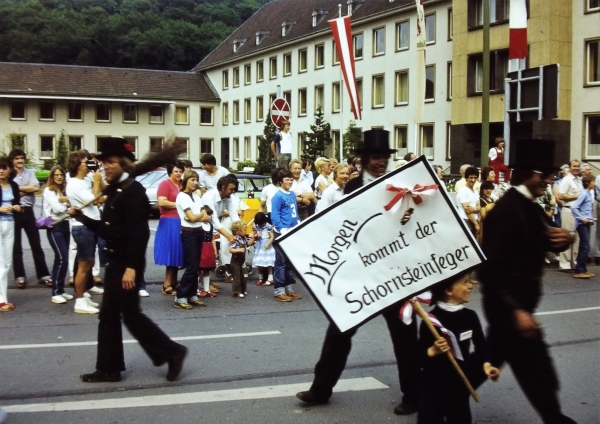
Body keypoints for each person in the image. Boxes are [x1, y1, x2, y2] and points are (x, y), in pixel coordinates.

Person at [296, 129, 419, 416]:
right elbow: (341, 229)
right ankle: (320, 389)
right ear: (363, 160)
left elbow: (411, 224)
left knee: (405, 336)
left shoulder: (399, 186)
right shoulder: (350, 190)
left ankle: (414, 395)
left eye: (384, 158)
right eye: (375, 157)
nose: (380, 163)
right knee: (339, 330)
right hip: (361, 274)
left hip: (392, 274)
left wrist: (408, 216)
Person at [69, 137, 188, 383]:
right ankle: (110, 367)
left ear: (123, 163)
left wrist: (132, 268)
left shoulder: (134, 192)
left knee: (128, 315)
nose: (106, 166)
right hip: (117, 262)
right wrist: (81, 216)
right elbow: (109, 230)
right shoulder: (116, 189)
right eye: (104, 162)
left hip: (126, 265)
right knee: (113, 315)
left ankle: (172, 352)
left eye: (111, 162)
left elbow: (139, 234)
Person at [479, 138, 577, 424]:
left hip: (517, 307)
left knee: (487, 361)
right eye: (542, 174)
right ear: (525, 174)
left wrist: (564, 239)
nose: (548, 180)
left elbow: (543, 239)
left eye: (550, 174)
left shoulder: (530, 206)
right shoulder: (506, 210)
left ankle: (441, 399)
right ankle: (554, 417)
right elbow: (489, 270)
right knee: (536, 367)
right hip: (508, 308)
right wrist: (516, 312)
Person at [417, 273, 500, 424]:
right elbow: (417, 359)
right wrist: (433, 351)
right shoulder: (431, 321)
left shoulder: (470, 316)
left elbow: (482, 347)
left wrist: (487, 365)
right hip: (432, 388)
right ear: (448, 290)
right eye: (465, 282)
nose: (470, 286)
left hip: (459, 385)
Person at [66, 152, 104, 314]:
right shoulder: (74, 184)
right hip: (82, 227)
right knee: (82, 265)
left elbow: (102, 194)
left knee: (89, 263)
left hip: (92, 225)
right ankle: (79, 300)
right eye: (85, 162)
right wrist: (95, 182)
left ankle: (84, 295)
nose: (88, 164)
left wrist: (98, 178)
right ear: (77, 165)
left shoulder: (88, 179)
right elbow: (94, 200)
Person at [9, 148, 51, 289]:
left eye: (21, 158)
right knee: (17, 247)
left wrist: (20, 189)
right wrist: (25, 188)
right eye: (17, 159)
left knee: (36, 244)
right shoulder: (9, 174)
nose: (20, 161)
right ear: (12, 161)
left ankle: (43, 274)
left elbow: (35, 188)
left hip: (28, 212)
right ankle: (20, 276)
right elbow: (10, 191)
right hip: (14, 213)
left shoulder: (30, 172)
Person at [174, 170, 211, 310]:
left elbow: (205, 216)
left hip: (199, 231)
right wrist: (196, 217)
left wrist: (195, 217)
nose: (195, 183)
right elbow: (194, 217)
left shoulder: (196, 196)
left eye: (196, 180)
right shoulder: (182, 196)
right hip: (189, 234)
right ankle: (180, 296)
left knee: (196, 266)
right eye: (192, 180)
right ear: (185, 181)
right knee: (191, 266)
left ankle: (192, 295)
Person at [43, 166, 74, 305]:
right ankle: (55, 292)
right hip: (55, 226)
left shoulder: (64, 190)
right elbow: (58, 209)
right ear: (52, 176)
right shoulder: (48, 191)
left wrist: (66, 202)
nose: (59, 177)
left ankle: (60, 290)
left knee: (60, 259)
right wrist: (66, 204)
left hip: (66, 225)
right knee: (63, 258)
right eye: (56, 175)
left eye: (61, 174)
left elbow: (70, 205)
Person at [271, 168, 302, 302]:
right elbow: (275, 215)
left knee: (289, 262)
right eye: (287, 180)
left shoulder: (292, 194)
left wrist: (298, 222)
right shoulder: (277, 196)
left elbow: (294, 210)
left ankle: (289, 288)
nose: (290, 182)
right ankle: (279, 290)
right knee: (281, 262)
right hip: (282, 232)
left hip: (292, 230)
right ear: (280, 181)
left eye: (291, 179)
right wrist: (281, 229)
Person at [154, 162, 184, 296]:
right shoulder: (165, 184)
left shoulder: (181, 185)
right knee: (171, 253)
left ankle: (174, 281)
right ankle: (166, 283)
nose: (178, 173)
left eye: (180, 171)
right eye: (176, 171)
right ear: (170, 172)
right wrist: (179, 204)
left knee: (177, 253)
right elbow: (162, 202)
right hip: (169, 221)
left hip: (180, 220)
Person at [0, 157, 20, 312]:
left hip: (10, 223)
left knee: (7, 263)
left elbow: (18, 203)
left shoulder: (13, 185)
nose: (1, 171)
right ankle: (1, 301)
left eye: (4, 168)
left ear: (9, 170)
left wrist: (17, 207)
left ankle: (3, 297)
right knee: (0, 263)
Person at [558, 159, 582, 271]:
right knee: (567, 236)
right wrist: (576, 196)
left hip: (578, 212)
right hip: (569, 210)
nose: (576, 168)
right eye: (574, 166)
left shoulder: (579, 180)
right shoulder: (567, 180)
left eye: (578, 166)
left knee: (577, 238)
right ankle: (565, 264)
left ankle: (574, 263)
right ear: (570, 167)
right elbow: (561, 196)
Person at [571, 174, 595, 279]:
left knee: (584, 246)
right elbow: (574, 207)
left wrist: (590, 218)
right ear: (587, 183)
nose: (594, 184)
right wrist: (581, 218)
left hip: (587, 222)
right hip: (582, 224)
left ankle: (583, 269)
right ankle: (579, 270)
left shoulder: (589, 194)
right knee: (585, 246)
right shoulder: (584, 194)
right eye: (593, 182)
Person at [229, 220, 254, 298]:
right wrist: (239, 250)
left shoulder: (243, 238)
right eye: (244, 230)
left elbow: (249, 243)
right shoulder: (234, 239)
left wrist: (254, 238)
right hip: (235, 261)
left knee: (243, 276)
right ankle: (237, 291)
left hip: (241, 261)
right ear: (238, 231)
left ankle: (242, 289)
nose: (245, 231)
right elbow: (231, 250)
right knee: (237, 277)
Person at [197, 205, 218, 298]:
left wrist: (215, 250)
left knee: (207, 270)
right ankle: (196, 289)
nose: (209, 217)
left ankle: (206, 289)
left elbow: (212, 239)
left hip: (209, 248)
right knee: (198, 270)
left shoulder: (210, 225)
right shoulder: (198, 225)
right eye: (207, 214)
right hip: (200, 248)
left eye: (210, 215)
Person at [251, 211, 275, 286]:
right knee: (259, 262)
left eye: (261, 223)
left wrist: (268, 244)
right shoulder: (256, 226)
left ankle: (270, 278)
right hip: (259, 246)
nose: (260, 225)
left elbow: (272, 237)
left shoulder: (268, 226)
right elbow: (254, 235)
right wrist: (255, 235)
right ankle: (260, 277)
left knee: (268, 262)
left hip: (266, 246)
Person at [456, 167, 481, 238]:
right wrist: (476, 224)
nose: (473, 180)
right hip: (466, 221)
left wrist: (474, 209)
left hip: (474, 221)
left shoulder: (475, 192)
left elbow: (479, 206)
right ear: (466, 178)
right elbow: (467, 210)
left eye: (475, 178)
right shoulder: (463, 191)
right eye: (471, 177)